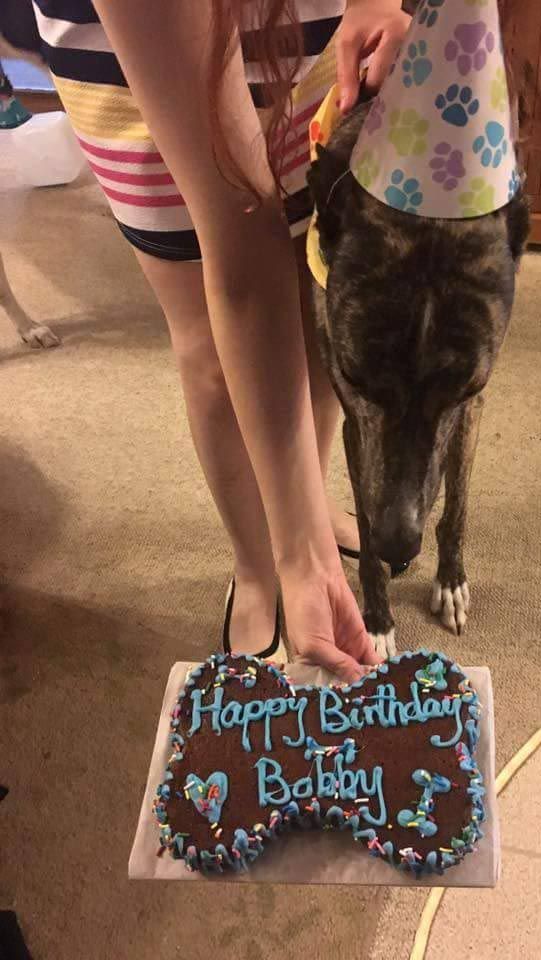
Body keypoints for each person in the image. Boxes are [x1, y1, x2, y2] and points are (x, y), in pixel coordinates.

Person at [31, 0, 410, 680]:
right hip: (141, 66)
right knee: (212, 345)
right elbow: (240, 243)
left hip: (316, 34)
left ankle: (303, 501)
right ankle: (258, 563)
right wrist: (306, 559)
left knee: (314, 307)